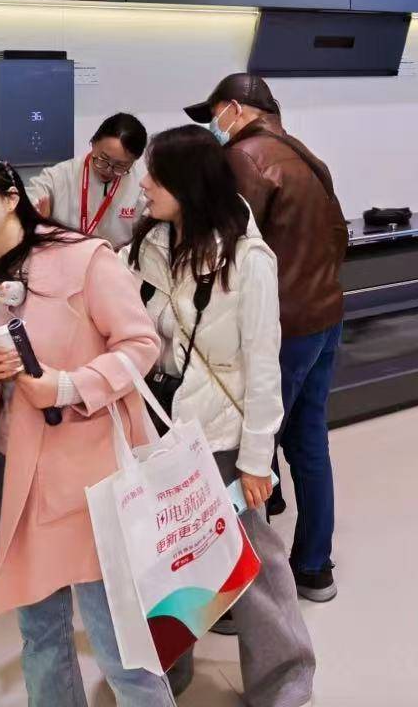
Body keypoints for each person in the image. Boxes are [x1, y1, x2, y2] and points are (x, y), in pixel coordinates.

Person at [0, 157, 173, 707]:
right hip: (16, 478)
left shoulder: (84, 258)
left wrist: (69, 386)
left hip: (89, 476)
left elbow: (141, 344)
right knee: (40, 636)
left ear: (11, 198)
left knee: (118, 642)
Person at [129, 127, 316, 707]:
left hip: (220, 434)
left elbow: (264, 365)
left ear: (189, 184)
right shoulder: (147, 244)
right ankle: (169, 672)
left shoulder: (247, 259)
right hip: (158, 426)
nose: (144, 184)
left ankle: (284, 680)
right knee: (167, 558)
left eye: (156, 176)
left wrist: (258, 458)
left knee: (251, 562)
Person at [185, 73, 347, 602]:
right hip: (324, 316)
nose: (213, 126)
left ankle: (249, 588)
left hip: (280, 329)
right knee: (309, 441)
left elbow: (225, 247)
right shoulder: (306, 156)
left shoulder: (243, 159)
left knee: (250, 451)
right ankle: (314, 568)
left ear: (235, 108)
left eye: (214, 113)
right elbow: (338, 236)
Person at [28, 113, 149, 249]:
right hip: (65, 255)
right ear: (93, 143)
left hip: (116, 258)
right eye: (103, 159)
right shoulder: (58, 176)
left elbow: (147, 236)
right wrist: (37, 219)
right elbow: (30, 199)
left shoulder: (142, 187)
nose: (108, 170)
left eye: (120, 166)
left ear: (134, 161)